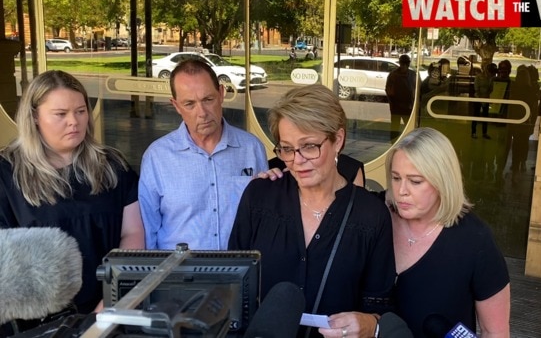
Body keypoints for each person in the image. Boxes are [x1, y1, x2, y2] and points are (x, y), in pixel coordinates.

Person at [229, 84, 395, 338]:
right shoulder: (260, 196)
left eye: (308, 146)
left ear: (337, 140)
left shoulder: (371, 215)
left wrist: (369, 324)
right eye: (286, 148)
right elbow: (233, 284)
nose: (297, 161)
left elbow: (378, 306)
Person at [0, 70, 144, 318]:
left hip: (108, 309)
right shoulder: (7, 174)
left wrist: (107, 306)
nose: (74, 122)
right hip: (33, 321)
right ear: (34, 116)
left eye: (80, 111)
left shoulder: (112, 167)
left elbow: (133, 234)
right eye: (60, 114)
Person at [385, 127, 510, 338]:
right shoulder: (375, 216)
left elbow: (495, 331)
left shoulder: (474, 241)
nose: (401, 191)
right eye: (396, 178)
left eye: (415, 181)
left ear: (442, 181)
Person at [139, 58, 267, 250]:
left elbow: (263, 217)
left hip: (239, 271)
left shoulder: (251, 148)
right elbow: (148, 231)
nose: (202, 113)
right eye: (189, 104)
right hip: (177, 273)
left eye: (208, 100)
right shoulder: (157, 157)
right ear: (176, 106)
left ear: (222, 94)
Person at [385, 54, 419, 140]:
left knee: (408, 126)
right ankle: (393, 141)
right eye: (402, 63)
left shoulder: (412, 75)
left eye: (405, 64)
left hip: (407, 106)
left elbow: (416, 89)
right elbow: (388, 90)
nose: (403, 66)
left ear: (407, 64)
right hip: (396, 105)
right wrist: (391, 102)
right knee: (395, 127)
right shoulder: (393, 75)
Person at [471, 64, 494, 139]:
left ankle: (484, 133)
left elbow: (491, 88)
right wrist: (481, 98)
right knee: (476, 115)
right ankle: (473, 132)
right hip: (478, 98)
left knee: (485, 116)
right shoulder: (478, 77)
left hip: (486, 98)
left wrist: (486, 96)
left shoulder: (490, 78)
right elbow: (476, 88)